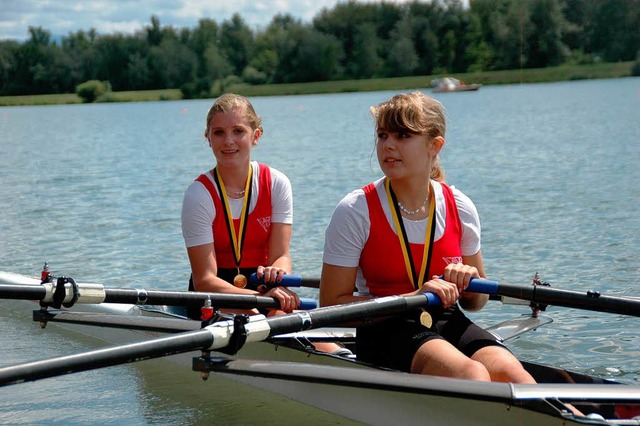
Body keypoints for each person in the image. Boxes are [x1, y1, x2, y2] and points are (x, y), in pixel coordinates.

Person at [319, 92, 536, 383]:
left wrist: (468, 280)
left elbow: (476, 302)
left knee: (514, 375)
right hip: (384, 326)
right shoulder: (356, 210)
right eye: (382, 135)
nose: (388, 145)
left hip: (446, 320)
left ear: (435, 146)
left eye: (403, 135)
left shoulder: (460, 206)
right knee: (471, 374)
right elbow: (331, 306)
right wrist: (415, 296)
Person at [181, 93, 300, 319]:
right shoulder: (198, 194)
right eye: (219, 133)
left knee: (283, 318)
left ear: (256, 136)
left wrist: (280, 281)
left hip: (264, 289)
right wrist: (255, 302)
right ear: (208, 137)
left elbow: (281, 255)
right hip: (214, 295)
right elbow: (204, 280)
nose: (228, 141)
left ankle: (340, 352)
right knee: (258, 318)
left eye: (238, 131)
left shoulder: (277, 183)